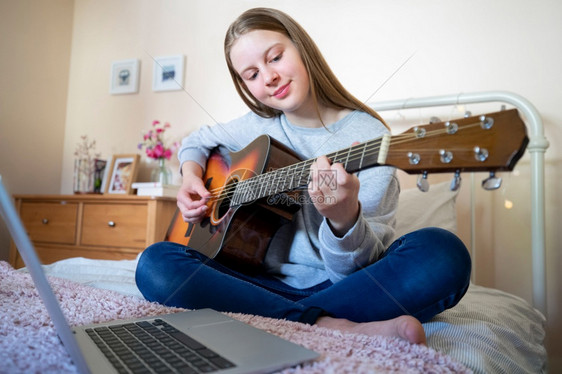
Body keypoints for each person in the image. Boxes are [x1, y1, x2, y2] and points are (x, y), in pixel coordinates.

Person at [135, 7, 471, 345]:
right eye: (251, 75)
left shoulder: (369, 138)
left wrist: (343, 220)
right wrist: (191, 176)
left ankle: (284, 319)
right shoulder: (258, 126)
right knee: (156, 263)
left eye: (276, 57)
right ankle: (327, 325)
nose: (268, 78)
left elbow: (353, 272)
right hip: (251, 281)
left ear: (301, 47)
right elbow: (196, 140)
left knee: (443, 253)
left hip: (341, 288)